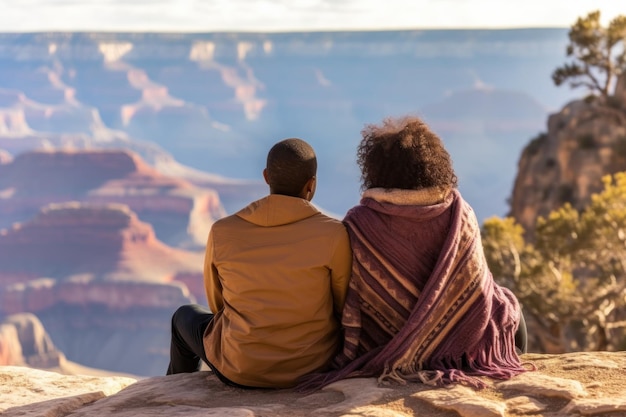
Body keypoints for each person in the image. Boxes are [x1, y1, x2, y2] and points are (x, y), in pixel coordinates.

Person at [298, 116, 528, 391]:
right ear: (432, 164)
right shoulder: (460, 212)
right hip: (462, 344)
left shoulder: (360, 223)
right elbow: (477, 286)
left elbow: (349, 293)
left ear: (375, 169)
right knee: (506, 307)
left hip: (384, 342)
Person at [167, 138, 352, 389]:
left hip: (240, 368)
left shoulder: (223, 231)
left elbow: (218, 304)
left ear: (266, 177)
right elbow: (341, 304)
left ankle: (177, 397)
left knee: (184, 316)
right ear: (311, 185)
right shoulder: (333, 234)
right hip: (311, 368)